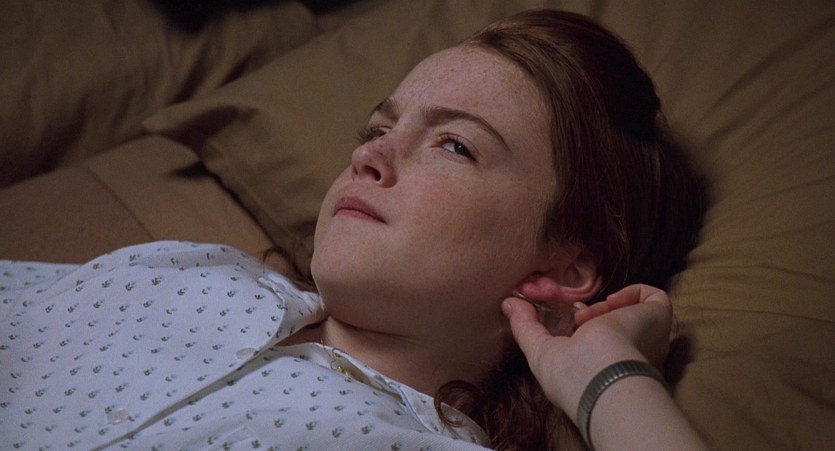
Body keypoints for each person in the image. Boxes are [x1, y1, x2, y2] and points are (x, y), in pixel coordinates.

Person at [0, 9, 706, 450]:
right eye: (378, 128)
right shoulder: (188, 270)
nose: (371, 155)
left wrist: (603, 373)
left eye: (454, 145)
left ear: (561, 267)